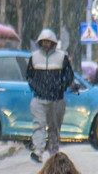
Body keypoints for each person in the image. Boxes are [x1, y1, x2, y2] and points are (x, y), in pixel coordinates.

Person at [26, 29, 76, 164]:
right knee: (38, 125)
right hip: (39, 98)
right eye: (44, 41)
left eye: (48, 42)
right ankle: (38, 151)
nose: (46, 44)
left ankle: (53, 152)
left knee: (54, 127)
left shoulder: (61, 57)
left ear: (53, 42)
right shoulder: (34, 57)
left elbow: (69, 76)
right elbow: (29, 76)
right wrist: (36, 88)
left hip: (56, 99)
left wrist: (60, 87)